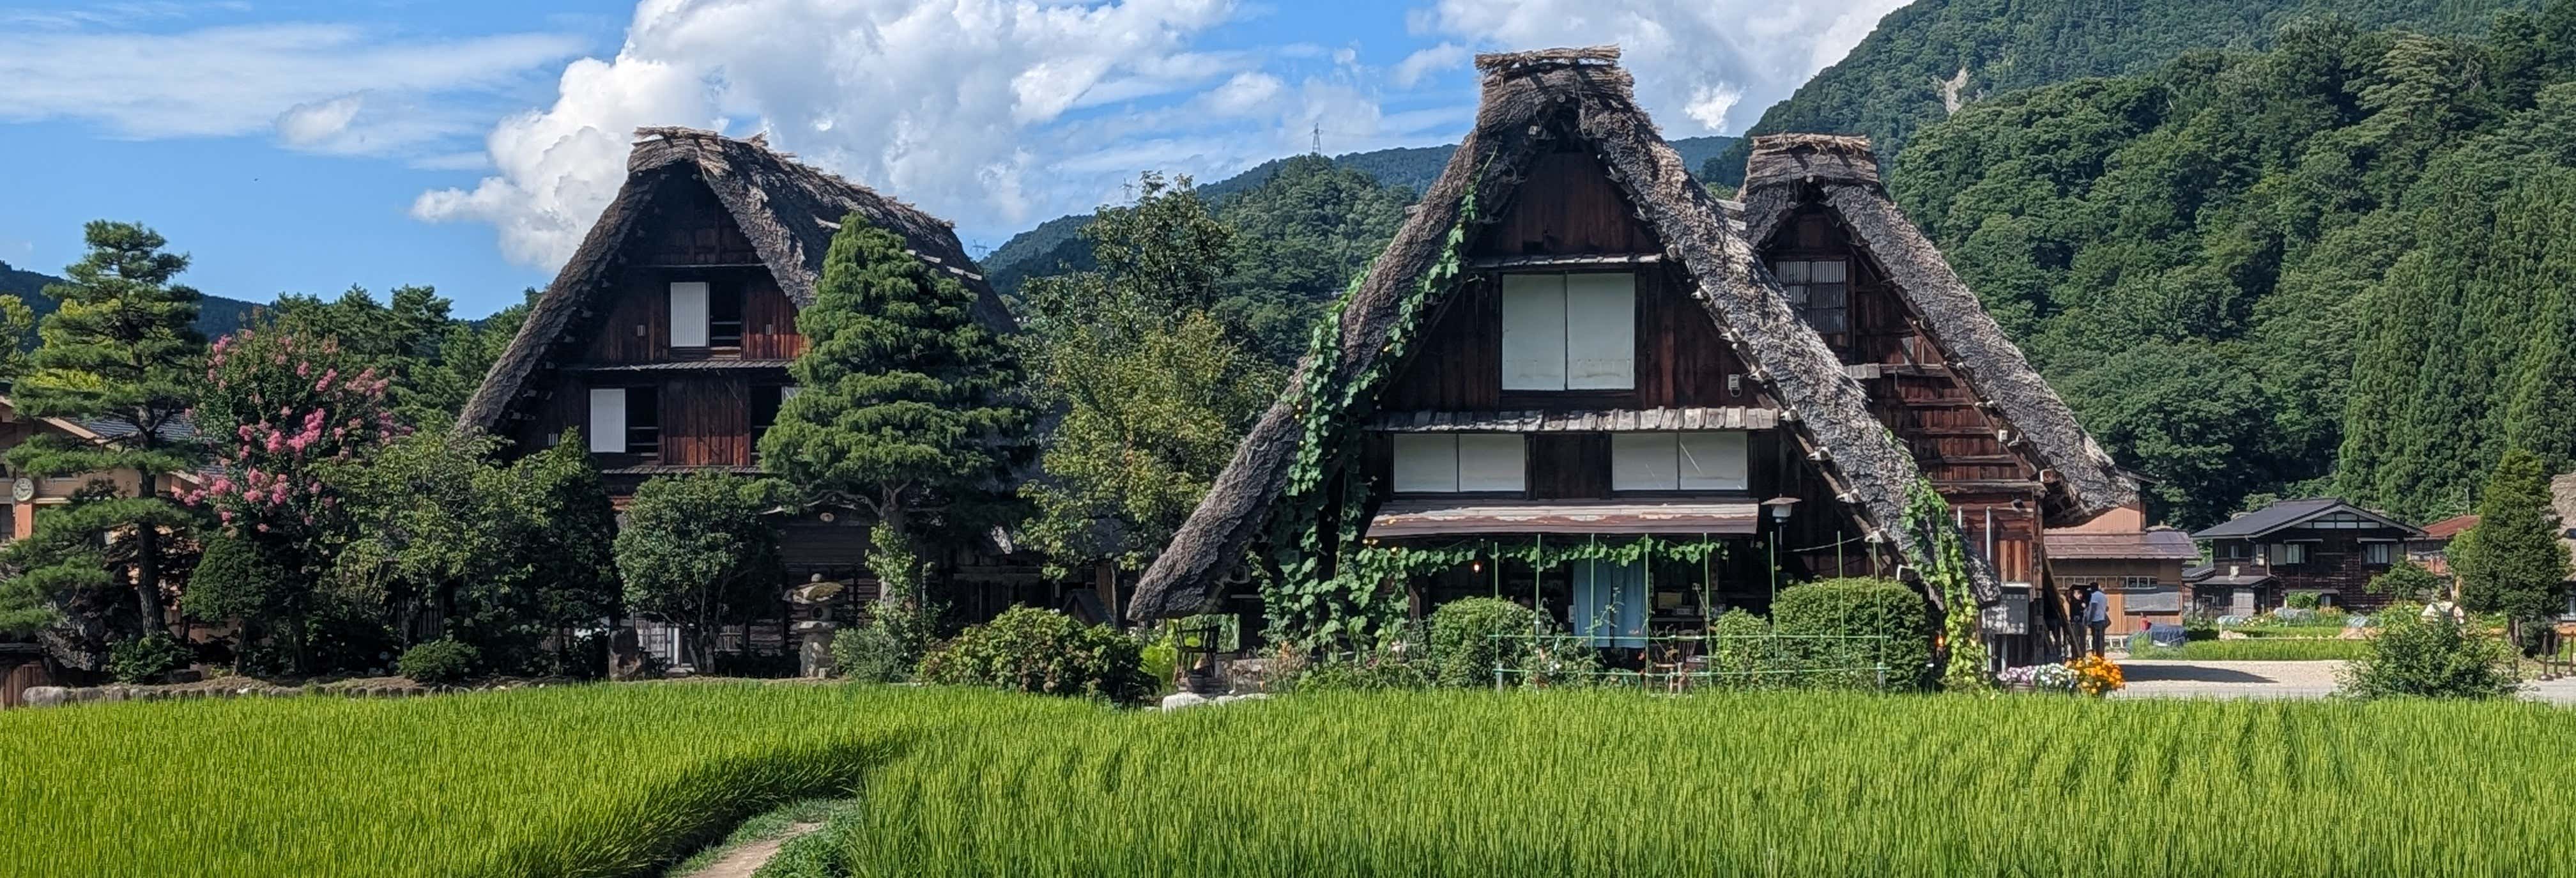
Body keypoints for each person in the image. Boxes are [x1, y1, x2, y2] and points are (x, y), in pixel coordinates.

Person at [2085, 585, 2111, 656]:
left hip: (2096, 620)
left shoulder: (2094, 596)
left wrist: (2089, 620)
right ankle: (2101, 655)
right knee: (2101, 640)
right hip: (2102, 620)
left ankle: (2096, 655)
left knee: (2095, 640)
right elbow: (2107, 608)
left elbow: (2093, 608)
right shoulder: (2104, 597)